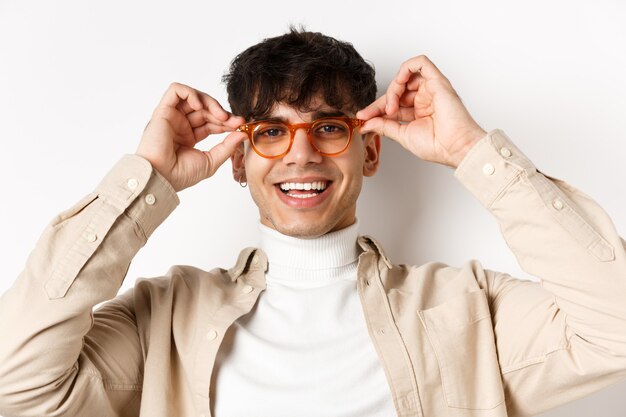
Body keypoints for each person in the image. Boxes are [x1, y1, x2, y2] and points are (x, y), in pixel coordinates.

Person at [0, 28, 625, 417]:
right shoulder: (163, 318)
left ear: (370, 150)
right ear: (240, 161)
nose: (301, 154)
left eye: (328, 127)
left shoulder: (464, 310)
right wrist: (143, 182)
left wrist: (471, 152)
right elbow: (17, 386)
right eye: (271, 131)